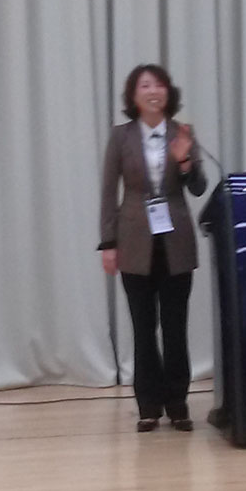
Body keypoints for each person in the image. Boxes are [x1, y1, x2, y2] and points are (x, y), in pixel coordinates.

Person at [99, 64, 207, 432]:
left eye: (159, 85)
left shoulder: (182, 132)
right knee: (143, 329)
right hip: (133, 242)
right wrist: (108, 242)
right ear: (134, 96)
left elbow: (198, 187)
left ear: (168, 93)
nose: (153, 91)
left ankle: (177, 403)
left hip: (176, 242)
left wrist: (185, 160)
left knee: (175, 328)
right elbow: (108, 192)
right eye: (145, 85)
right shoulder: (121, 136)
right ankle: (148, 405)